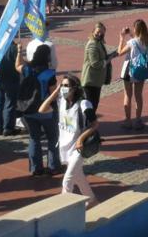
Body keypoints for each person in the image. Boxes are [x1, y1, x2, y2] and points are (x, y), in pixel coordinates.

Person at [39, 74, 98, 206]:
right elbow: (42, 109)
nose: (63, 88)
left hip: (78, 148)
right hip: (65, 147)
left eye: (66, 86)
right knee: (78, 177)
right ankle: (92, 200)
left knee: (67, 180)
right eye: (62, 85)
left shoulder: (83, 104)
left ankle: (63, 208)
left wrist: (81, 139)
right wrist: (55, 92)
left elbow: (95, 124)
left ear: (74, 88)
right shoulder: (61, 102)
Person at [16, 44, 60, 177]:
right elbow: (53, 94)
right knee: (52, 138)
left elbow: (17, 66)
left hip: (28, 110)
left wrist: (19, 52)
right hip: (46, 111)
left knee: (34, 138)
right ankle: (53, 166)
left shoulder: (27, 69)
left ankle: (36, 168)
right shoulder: (49, 73)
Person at [116, 20, 148, 131]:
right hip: (141, 70)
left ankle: (128, 121)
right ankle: (138, 120)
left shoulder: (131, 42)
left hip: (129, 70)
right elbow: (138, 40)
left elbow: (120, 52)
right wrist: (131, 34)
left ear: (136, 29)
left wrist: (122, 37)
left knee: (128, 95)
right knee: (138, 95)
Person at [82, 23, 112, 111]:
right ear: (93, 31)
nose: (100, 34)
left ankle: (89, 123)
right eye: (98, 32)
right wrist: (107, 61)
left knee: (94, 104)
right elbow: (95, 63)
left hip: (96, 80)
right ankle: (88, 123)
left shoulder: (98, 42)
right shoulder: (92, 44)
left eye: (102, 32)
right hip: (90, 81)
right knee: (90, 106)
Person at [0, 41, 21, 136]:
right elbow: (19, 63)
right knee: (10, 104)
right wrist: (20, 51)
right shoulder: (14, 48)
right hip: (11, 78)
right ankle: (8, 128)